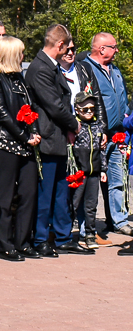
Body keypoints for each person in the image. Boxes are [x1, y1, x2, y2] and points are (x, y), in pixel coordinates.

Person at [25, 24, 92, 257]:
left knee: (61, 190)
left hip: (59, 136)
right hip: (48, 137)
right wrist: (74, 124)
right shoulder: (40, 69)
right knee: (46, 192)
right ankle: (41, 238)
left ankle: (63, 237)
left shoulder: (50, 67)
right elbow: (54, 105)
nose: (68, 52)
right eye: (67, 47)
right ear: (60, 45)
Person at [0, 37, 42, 261]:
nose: (23, 56)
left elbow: (30, 106)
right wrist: (24, 136)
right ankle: (5, 244)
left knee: (28, 193)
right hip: (5, 143)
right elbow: (1, 113)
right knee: (5, 196)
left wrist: (34, 130)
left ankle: (23, 242)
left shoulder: (19, 77)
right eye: (20, 52)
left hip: (26, 141)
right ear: (10, 54)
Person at [84, 32, 133, 237]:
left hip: (118, 135)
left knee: (118, 178)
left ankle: (119, 220)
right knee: (93, 181)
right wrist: (98, 128)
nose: (117, 50)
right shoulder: (85, 69)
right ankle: (89, 226)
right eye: (113, 47)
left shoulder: (115, 70)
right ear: (101, 49)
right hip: (96, 134)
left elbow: (122, 96)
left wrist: (127, 117)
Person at [69, 91, 106, 249]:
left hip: (94, 172)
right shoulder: (76, 126)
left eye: (92, 108)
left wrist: (103, 169)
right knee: (73, 204)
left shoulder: (97, 126)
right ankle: (65, 233)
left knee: (91, 205)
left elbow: (101, 150)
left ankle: (90, 234)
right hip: (79, 172)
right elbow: (70, 151)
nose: (90, 112)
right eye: (85, 109)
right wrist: (73, 169)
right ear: (77, 109)